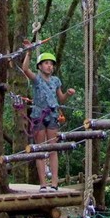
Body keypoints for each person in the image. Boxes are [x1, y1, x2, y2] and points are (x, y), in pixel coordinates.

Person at [21, 43, 76, 190]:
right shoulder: (36, 79)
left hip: (52, 114)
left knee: (53, 148)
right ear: (40, 66)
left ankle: (54, 183)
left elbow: (61, 99)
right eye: (46, 63)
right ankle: (43, 184)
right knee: (40, 149)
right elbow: (25, 69)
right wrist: (29, 53)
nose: (49, 66)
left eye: (51, 64)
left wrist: (68, 95)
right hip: (39, 115)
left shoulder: (56, 81)